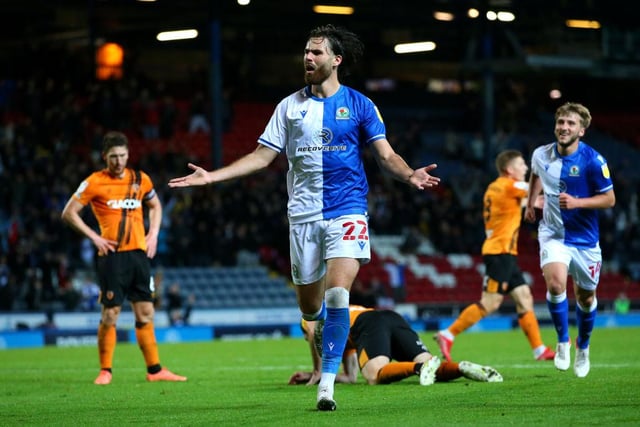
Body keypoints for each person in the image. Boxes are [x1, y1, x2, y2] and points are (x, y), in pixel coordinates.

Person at [168, 24, 440, 410]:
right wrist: (213, 176)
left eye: (316, 53)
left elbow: (385, 155)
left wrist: (410, 173)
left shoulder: (361, 105)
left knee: (337, 293)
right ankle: (326, 361)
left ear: (335, 60)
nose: (307, 58)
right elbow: (262, 157)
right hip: (303, 218)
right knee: (311, 312)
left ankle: (326, 386)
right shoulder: (289, 107)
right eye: (306, 52)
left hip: (347, 210)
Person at [61, 131, 187, 385]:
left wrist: (153, 234)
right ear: (104, 157)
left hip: (139, 255)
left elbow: (156, 206)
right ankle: (105, 370)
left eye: (122, 156)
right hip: (112, 256)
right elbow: (68, 212)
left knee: (145, 312)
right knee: (111, 314)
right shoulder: (95, 181)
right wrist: (94, 237)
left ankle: (155, 370)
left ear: (129, 154)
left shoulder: (140, 179)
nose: (119, 161)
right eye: (113, 157)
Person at [435, 150, 555, 362]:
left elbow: (536, 200)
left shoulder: (499, 188)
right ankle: (447, 334)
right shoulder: (508, 185)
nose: (526, 168)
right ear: (509, 169)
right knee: (490, 303)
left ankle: (539, 350)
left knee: (524, 296)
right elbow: (536, 190)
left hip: (505, 252)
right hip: (499, 253)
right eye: (521, 164)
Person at [524, 102, 615, 378]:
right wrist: (530, 203)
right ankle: (563, 342)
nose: (564, 127)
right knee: (554, 283)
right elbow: (536, 174)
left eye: (571, 123)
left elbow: (609, 199)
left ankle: (583, 347)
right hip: (553, 233)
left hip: (585, 240)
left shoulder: (593, 161)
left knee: (586, 298)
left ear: (582, 130)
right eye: (561, 122)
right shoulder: (541, 154)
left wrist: (578, 202)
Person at [289, 305, 503, 386]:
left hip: (368, 323)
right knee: (430, 363)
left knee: (374, 375)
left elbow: (310, 327)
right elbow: (350, 377)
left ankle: (419, 369)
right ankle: (462, 368)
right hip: (389, 316)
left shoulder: (319, 316)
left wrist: (317, 370)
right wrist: (313, 375)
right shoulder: (345, 333)